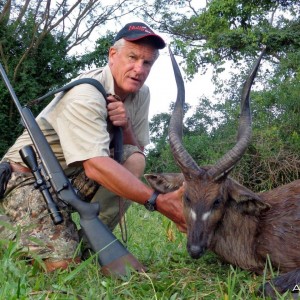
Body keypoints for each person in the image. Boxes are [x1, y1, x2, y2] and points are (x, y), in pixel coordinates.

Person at [0, 22, 186, 271]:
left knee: (134, 158)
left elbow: (137, 149)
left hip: (71, 177)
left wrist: (126, 126)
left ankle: (91, 245)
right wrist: (158, 201)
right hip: (25, 177)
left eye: (147, 63)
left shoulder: (141, 94)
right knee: (64, 265)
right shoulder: (85, 93)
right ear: (112, 55)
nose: (139, 69)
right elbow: (96, 167)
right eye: (132, 57)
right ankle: (9, 227)